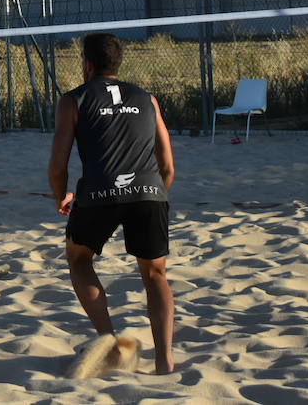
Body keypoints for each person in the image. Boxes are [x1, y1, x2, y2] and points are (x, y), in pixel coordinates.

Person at [47, 33, 176, 375]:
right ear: (119, 63)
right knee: (155, 273)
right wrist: (154, 194)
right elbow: (168, 166)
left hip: (99, 193)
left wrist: (61, 196)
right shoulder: (147, 99)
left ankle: (110, 342)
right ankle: (165, 361)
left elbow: (58, 165)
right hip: (149, 192)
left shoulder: (72, 100)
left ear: (86, 64)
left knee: (78, 258)